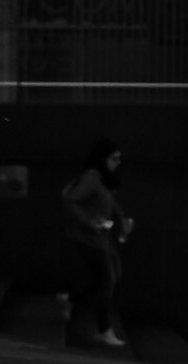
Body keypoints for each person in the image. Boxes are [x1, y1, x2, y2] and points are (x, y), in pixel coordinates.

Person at [60, 138, 131, 349]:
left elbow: (110, 200)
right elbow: (71, 200)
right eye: (113, 158)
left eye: (119, 158)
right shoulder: (92, 178)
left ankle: (71, 299)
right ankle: (104, 329)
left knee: (109, 277)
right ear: (103, 159)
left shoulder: (103, 179)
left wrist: (121, 218)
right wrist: (89, 222)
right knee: (106, 280)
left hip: (99, 238)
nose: (117, 162)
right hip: (88, 238)